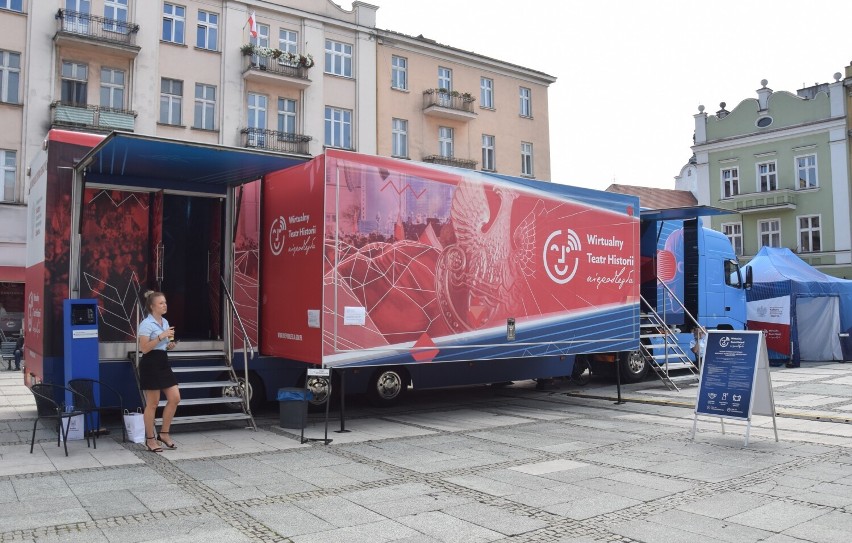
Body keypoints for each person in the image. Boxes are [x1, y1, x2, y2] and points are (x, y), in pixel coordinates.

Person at [137, 290, 180, 452]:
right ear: (152, 306)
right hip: (150, 363)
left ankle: (164, 433)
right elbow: (145, 348)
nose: (165, 305)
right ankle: (150, 439)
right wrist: (161, 337)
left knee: (175, 398)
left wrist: (170, 344)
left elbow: (164, 344)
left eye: (165, 302)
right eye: (161, 303)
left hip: (162, 361)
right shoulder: (146, 324)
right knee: (152, 404)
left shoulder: (165, 322)